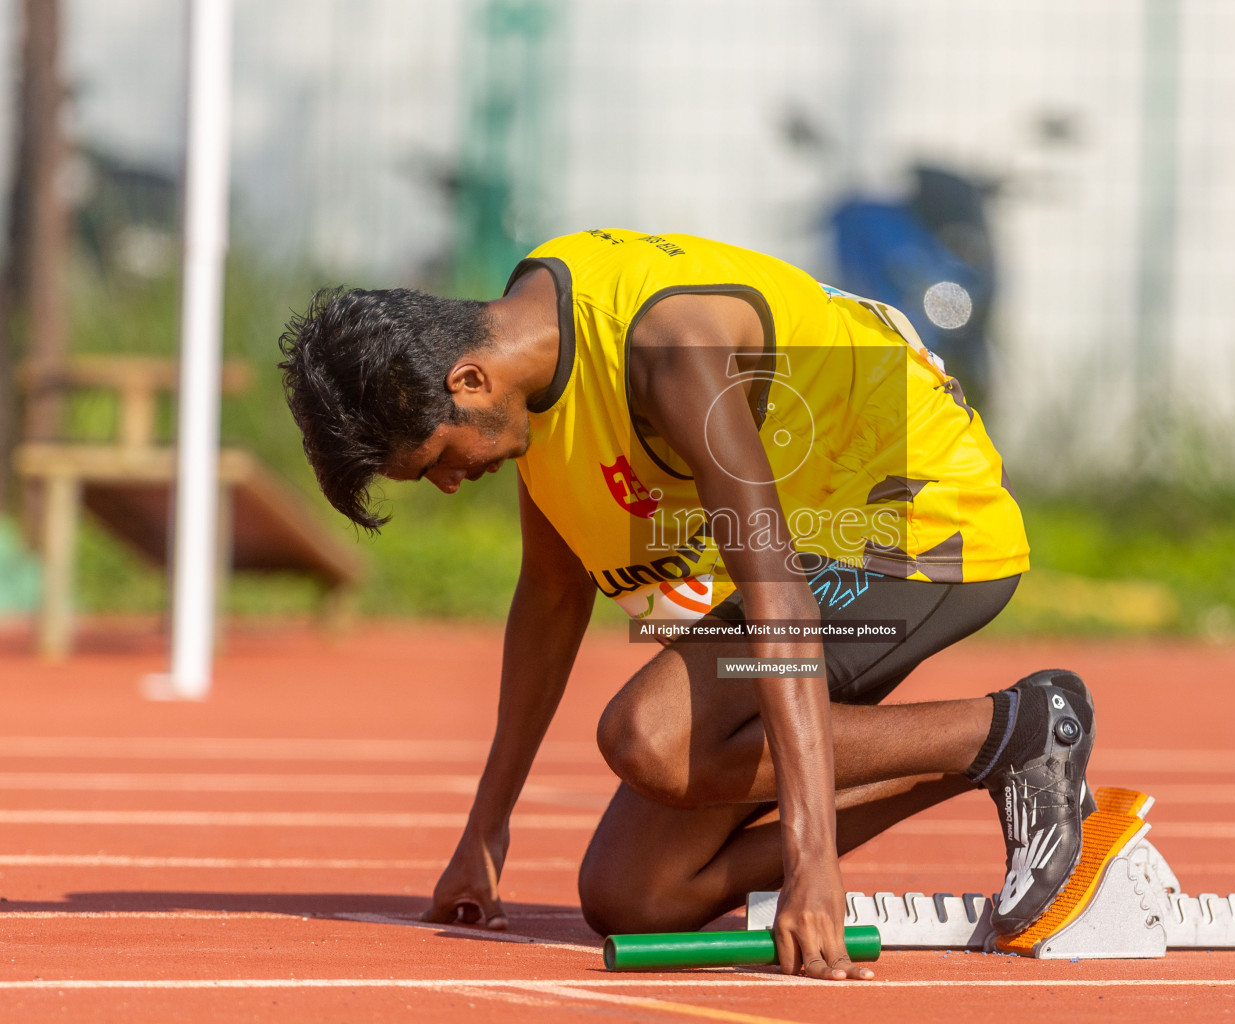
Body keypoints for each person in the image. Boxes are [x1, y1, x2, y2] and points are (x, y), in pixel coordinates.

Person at [278, 228, 1097, 982]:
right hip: (811, 549)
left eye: (436, 463)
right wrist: (485, 829)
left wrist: (814, 863)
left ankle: (1024, 727)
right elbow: (552, 594)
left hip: (920, 528)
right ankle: (1001, 747)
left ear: (468, 379)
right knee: (636, 894)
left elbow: (779, 598)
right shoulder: (527, 367)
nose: (450, 484)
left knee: (649, 735)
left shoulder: (670, 350)